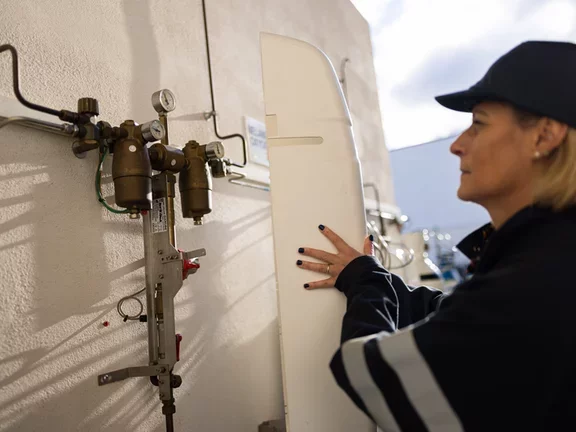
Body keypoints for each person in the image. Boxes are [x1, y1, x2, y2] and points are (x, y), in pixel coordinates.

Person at [296, 41, 576, 431]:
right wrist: (379, 280)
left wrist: (367, 285)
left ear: (544, 136)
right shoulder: (551, 259)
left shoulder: (540, 278)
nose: (457, 145)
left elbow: (373, 375)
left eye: (479, 123)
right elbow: (466, 321)